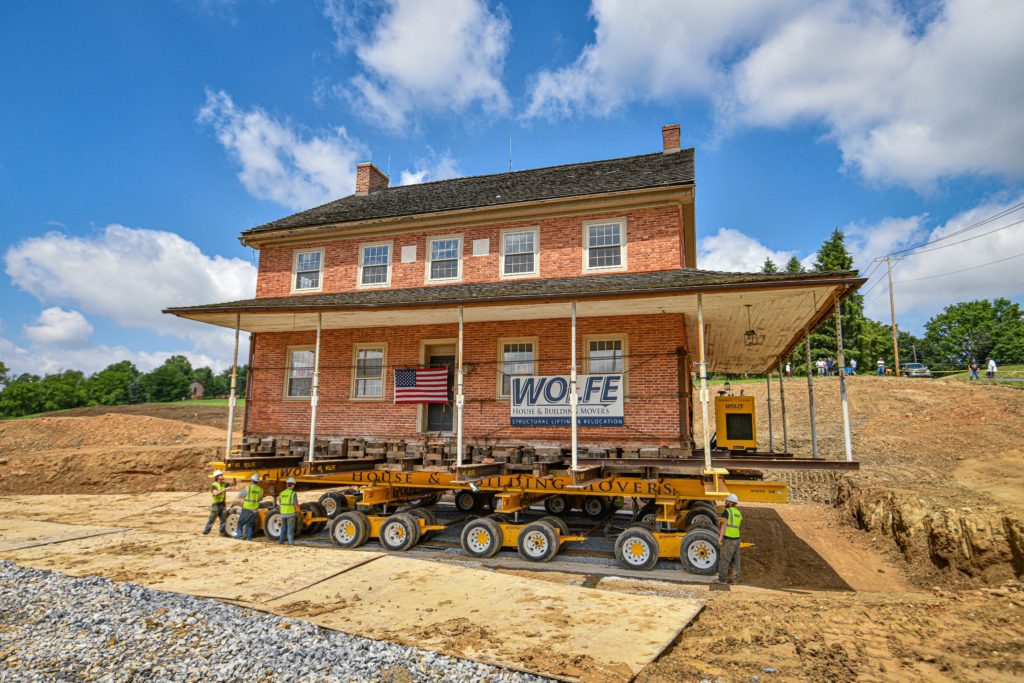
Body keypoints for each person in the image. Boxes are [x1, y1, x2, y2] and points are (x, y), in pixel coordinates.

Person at [717, 493, 742, 584]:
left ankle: (722, 580)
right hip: (737, 538)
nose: (725, 502)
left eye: (726, 501)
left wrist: (720, 537)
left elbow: (724, 525)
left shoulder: (727, 512)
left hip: (729, 538)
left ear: (731, 502)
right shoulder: (738, 513)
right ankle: (735, 579)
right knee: (736, 560)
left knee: (724, 559)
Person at [202, 469, 232, 535]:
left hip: (223, 504)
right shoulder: (214, 485)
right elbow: (215, 494)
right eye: (221, 475)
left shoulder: (224, 483)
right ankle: (206, 532)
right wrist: (225, 489)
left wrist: (235, 481)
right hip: (216, 505)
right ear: (217, 477)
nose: (222, 475)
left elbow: (233, 484)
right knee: (211, 520)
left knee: (223, 520)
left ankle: (222, 533)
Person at [236, 473, 263, 541]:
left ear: (252, 480)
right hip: (255, 510)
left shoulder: (248, 488)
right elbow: (260, 498)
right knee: (250, 524)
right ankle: (248, 538)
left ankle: (239, 536)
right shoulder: (260, 490)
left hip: (247, 508)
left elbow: (239, 495)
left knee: (240, 523)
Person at [277, 477, 300, 545]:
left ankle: (281, 542)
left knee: (283, 529)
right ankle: (290, 543)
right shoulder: (293, 493)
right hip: (290, 514)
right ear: (292, 485)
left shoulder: (282, 493)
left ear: (287, 484)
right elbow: (296, 504)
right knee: (290, 530)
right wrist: (298, 511)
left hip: (283, 513)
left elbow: (280, 502)